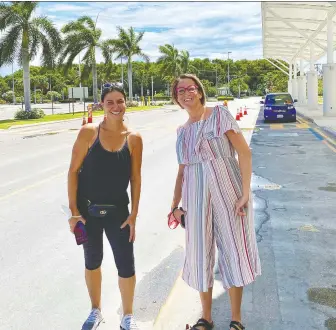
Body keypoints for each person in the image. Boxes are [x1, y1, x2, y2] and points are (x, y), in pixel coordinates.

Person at [170, 74, 261, 330]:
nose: (186, 93)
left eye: (190, 88)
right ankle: (206, 318)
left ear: (199, 91)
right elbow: (181, 171)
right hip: (195, 197)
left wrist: (245, 192)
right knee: (200, 254)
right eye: (180, 91)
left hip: (229, 191)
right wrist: (175, 206)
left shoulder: (220, 116)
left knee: (234, 250)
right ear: (176, 98)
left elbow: (244, 152)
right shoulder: (182, 131)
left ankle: (236, 319)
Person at [67, 84, 143, 330]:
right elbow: (72, 172)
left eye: (120, 101)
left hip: (119, 213)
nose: (115, 106)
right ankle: (95, 310)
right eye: (109, 102)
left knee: (126, 265)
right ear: (101, 104)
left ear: (126, 103)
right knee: (92, 262)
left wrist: (134, 215)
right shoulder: (89, 133)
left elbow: (135, 178)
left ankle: (128, 316)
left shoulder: (134, 138)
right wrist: (74, 213)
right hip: (88, 213)